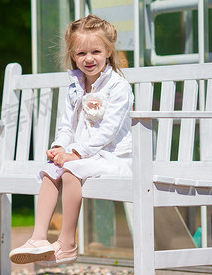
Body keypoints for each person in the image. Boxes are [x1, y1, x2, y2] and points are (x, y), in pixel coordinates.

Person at [9, 15, 133, 267]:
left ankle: (67, 243)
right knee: (51, 168)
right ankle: (39, 238)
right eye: (81, 53)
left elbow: (108, 131)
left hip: (113, 157)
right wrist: (59, 147)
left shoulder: (118, 87)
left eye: (96, 51)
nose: (89, 59)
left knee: (69, 171)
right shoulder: (76, 86)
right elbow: (67, 125)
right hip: (84, 156)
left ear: (108, 51)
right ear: (73, 55)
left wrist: (76, 152)